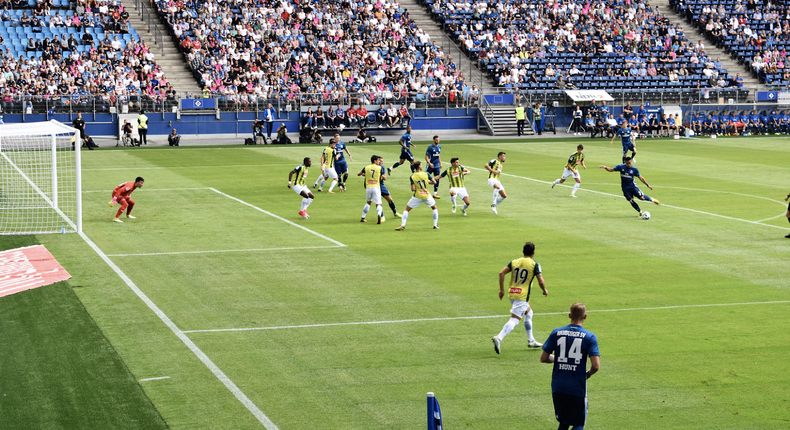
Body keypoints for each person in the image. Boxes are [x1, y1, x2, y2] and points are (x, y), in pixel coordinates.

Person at [540, 302, 600, 430]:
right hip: (576, 387)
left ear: (569, 315)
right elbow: (596, 366)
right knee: (578, 424)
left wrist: (560, 359)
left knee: (564, 422)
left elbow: (543, 358)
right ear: (585, 317)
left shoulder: (557, 332)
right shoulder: (589, 337)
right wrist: (587, 375)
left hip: (558, 386)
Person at [491, 241, 548, 354]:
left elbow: (501, 273)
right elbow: (540, 280)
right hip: (522, 296)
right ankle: (499, 337)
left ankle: (531, 340)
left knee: (529, 312)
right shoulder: (534, 264)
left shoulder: (514, 262)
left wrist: (501, 290)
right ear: (533, 253)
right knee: (515, 319)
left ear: (523, 252)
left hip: (512, 293)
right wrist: (544, 289)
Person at [395, 161, 439, 230]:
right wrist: (427, 182)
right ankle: (435, 225)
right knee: (434, 208)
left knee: (406, 209)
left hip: (417, 196)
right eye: (421, 165)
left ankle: (403, 225)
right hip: (427, 195)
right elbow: (434, 182)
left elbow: (413, 189)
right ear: (419, 166)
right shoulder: (426, 174)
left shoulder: (412, 176)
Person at [358, 155, 386, 224]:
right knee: (378, 203)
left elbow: (359, 174)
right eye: (378, 160)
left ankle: (363, 217)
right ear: (375, 161)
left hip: (368, 187)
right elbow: (383, 177)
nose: (379, 161)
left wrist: (363, 174)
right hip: (376, 187)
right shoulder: (379, 168)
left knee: (368, 203)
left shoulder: (366, 167)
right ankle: (379, 215)